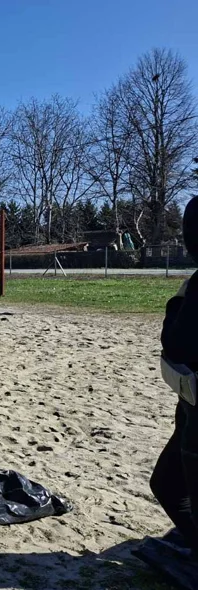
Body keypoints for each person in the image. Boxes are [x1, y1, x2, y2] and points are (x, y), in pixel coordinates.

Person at [149, 195, 198, 552]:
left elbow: (178, 342)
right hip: (189, 405)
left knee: (171, 485)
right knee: (167, 483)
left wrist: (174, 307)